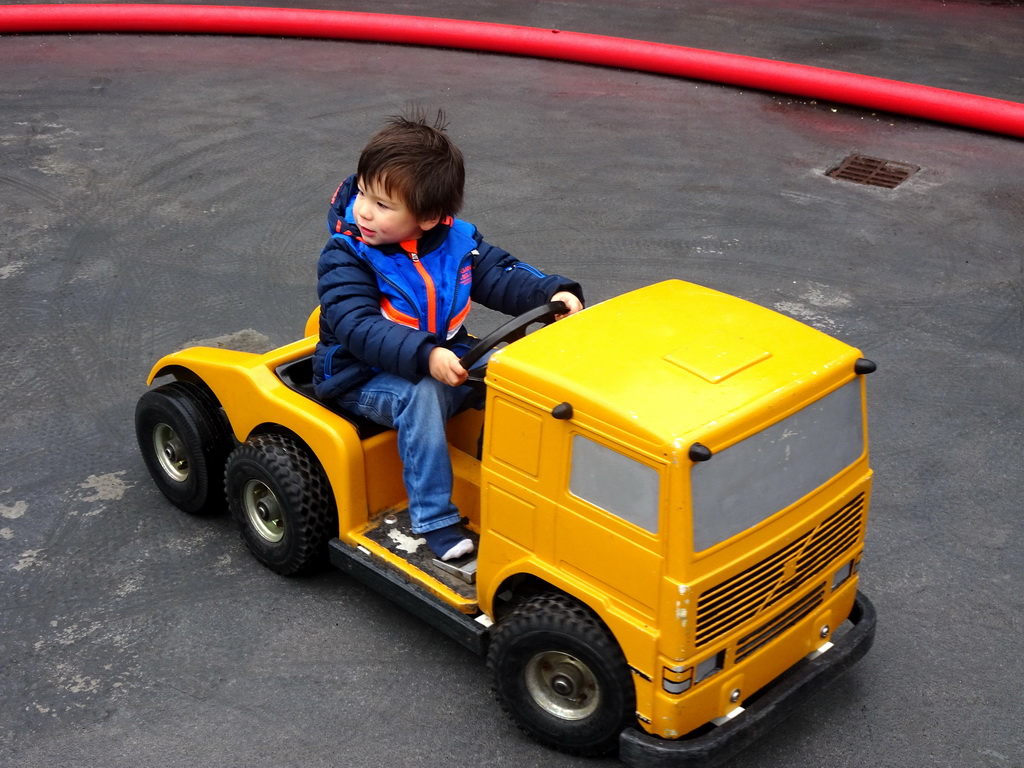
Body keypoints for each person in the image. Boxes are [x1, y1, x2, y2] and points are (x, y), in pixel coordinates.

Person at [313, 111, 584, 561]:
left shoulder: (458, 242)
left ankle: (509, 473)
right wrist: (426, 354)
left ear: (429, 217)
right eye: (363, 192)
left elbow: (500, 274)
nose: (363, 210)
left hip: (443, 353)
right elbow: (356, 326)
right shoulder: (347, 254)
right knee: (422, 395)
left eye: (382, 205)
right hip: (360, 375)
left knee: (515, 370)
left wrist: (551, 292)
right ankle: (434, 519)